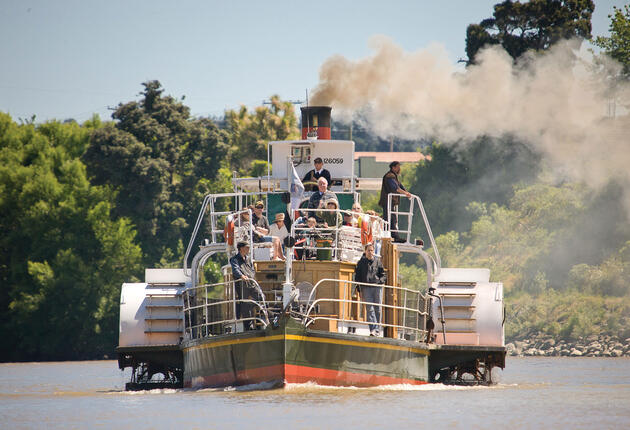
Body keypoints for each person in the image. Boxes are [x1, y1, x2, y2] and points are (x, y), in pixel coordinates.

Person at [354, 242, 386, 336]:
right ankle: (373, 329)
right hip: (366, 288)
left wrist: (379, 282)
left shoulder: (378, 262)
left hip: (377, 288)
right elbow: (358, 277)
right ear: (365, 251)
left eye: (372, 250)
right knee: (369, 309)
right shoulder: (361, 263)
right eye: (368, 250)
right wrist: (359, 290)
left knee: (378, 309)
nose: (370, 252)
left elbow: (383, 275)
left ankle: (377, 329)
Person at [378, 161, 411, 243]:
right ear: (393, 167)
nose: (399, 168)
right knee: (390, 218)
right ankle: (393, 236)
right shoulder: (390, 176)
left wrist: (407, 192)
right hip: (387, 201)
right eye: (398, 167)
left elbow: (400, 186)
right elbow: (395, 188)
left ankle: (394, 236)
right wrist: (405, 193)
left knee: (392, 218)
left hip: (389, 202)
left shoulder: (393, 176)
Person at [229, 241, 258, 329]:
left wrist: (251, 276)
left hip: (251, 283)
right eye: (247, 247)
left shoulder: (248, 259)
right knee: (245, 304)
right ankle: (248, 326)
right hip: (242, 284)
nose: (249, 249)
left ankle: (261, 316)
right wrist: (242, 276)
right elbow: (235, 270)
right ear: (241, 249)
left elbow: (252, 269)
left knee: (260, 297)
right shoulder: (234, 259)